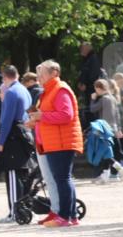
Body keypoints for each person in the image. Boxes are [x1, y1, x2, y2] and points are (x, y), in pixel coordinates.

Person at [27, 60, 82, 227]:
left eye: (43, 73)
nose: (39, 77)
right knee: (62, 179)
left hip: (61, 142)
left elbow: (66, 115)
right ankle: (69, 216)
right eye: (39, 74)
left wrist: (41, 117)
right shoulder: (49, 91)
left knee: (62, 179)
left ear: (54, 73)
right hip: (54, 142)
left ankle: (65, 216)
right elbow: (50, 114)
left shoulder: (60, 90)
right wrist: (36, 120)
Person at [0, 66, 33, 224]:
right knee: (23, 175)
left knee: (12, 175)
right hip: (24, 134)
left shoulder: (10, 92)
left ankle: (14, 212)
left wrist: (0, 142)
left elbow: (6, 119)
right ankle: (25, 208)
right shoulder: (24, 90)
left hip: (13, 137)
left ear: (5, 77)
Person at [89, 79, 123, 181]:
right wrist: (118, 128)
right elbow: (117, 115)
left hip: (104, 129)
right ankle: (106, 174)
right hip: (112, 128)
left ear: (98, 88)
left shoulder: (103, 99)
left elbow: (93, 109)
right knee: (110, 153)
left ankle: (120, 170)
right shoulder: (113, 98)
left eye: (96, 89)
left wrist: (92, 99)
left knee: (106, 153)